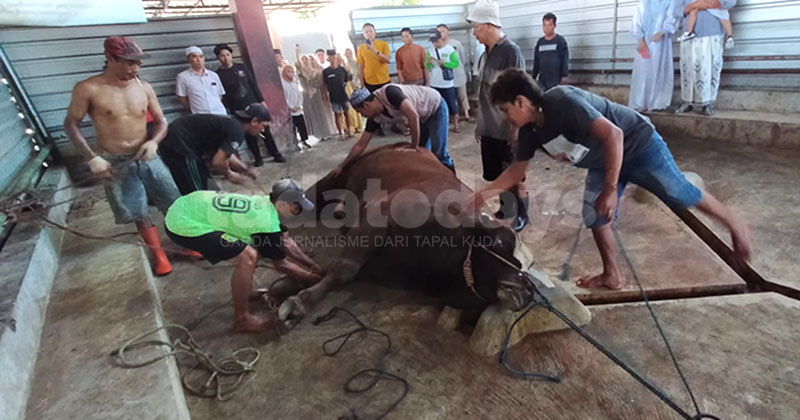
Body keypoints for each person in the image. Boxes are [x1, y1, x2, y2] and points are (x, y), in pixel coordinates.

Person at [465, 69, 752, 290]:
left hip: (638, 145)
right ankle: (612, 274)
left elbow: (614, 135)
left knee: (678, 194)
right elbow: (517, 171)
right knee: (595, 215)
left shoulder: (562, 101)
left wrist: (611, 189)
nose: (506, 118)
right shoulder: (529, 133)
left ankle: (734, 222)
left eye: (505, 110)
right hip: (603, 161)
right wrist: (482, 195)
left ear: (522, 101)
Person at [64, 36, 192, 276]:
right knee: (137, 209)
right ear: (111, 59)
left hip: (146, 154)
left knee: (173, 200)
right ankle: (159, 254)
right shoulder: (88, 88)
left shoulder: (144, 87)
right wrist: (91, 157)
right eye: (129, 62)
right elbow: (71, 124)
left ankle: (187, 243)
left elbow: (162, 121)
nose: (135, 68)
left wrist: (154, 142)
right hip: (113, 160)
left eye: (138, 63)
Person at [164, 180, 325, 333]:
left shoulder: (268, 205)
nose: (298, 212)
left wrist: (313, 266)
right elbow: (282, 264)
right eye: (296, 208)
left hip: (192, 204)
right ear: (282, 204)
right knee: (247, 257)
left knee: (248, 254)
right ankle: (242, 320)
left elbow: (287, 241)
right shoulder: (265, 224)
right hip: (183, 222)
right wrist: (318, 280)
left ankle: (244, 292)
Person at [468, 0, 529, 231]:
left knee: (513, 172)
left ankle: (521, 214)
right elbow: (483, 92)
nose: (474, 32)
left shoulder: (510, 52)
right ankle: (506, 209)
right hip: (488, 126)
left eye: (476, 27)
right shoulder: (485, 55)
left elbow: (519, 91)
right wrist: (479, 124)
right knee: (496, 173)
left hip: (506, 126)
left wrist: (516, 128)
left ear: (490, 25)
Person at [333, 86, 455, 176]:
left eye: (361, 113)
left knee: (439, 153)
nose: (363, 116)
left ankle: (454, 181)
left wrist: (413, 145)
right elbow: (361, 145)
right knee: (422, 153)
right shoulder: (375, 118)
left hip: (435, 107)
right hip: (420, 116)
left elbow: (413, 116)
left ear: (366, 105)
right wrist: (342, 166)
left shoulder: (390, 93)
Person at [158, 104, 278, 194]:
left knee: (209, 187)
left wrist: (245, 169)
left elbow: (227, 155)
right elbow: (218, 162)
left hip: (183, 145)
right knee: (198, 192)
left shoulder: (233, 124)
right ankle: (202, 223)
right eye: (263, 126)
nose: (263, 130)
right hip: (180, 146)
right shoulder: (237, 130)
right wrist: (229, 174)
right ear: (254, 121)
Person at [214, 43, 285, 165]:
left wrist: (261, 101)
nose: (225, 58)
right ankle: (258, 158)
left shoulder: (241, 68)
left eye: (227, 54)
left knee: (265, 130)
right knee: (249, 134)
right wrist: (230, 110)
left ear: (231, 55)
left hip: (254, 104)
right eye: (222, 56)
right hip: (238, 109)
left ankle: (275, 154)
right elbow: (222, 94)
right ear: (218, 58)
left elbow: (253, 85)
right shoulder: (218, 74)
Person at [673, 0, 736, 115]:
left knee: (711, 69)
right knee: (689, 70)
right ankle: (687, 102)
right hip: (690, 36)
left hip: (713, 34)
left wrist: (709, 4)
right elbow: (676, 11)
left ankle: (708, 103)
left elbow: (730, 2)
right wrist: (694, 5)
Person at [629, 0, 679, 112]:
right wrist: (640, 39)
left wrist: (661, 32)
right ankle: (639, 103)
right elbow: (637, 20)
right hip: (645, 41)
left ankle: (657, 103)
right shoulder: (644, 2)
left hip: (661, 43)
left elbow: (672, 18)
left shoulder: (669, 2)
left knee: (659, 70)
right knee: (643, 71)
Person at [296, 48, 336, 140]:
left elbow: (320, 82)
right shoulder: (300, 72)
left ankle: (325, 133)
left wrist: (314, 87)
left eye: (306, 59)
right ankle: (315, 135)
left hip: (317, 94)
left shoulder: (316, 72)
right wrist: (297, 53)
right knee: (312, 115)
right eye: (303, 59)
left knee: (321, 113)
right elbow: (298, 67)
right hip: (307, 95)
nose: (305, 61)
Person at [426, 30, 461, 134]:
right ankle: (439, 124)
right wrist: (428, 63)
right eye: (432, 42)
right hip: (434, 82)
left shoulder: (450, 49)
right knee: (436, 106)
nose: (434, 44)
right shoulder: (430, 51)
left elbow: (456, 63)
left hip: (447, 83)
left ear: (441, 39)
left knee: (452, 105)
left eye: (436, 41)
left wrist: (445, 64)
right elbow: (427, 66)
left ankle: (456, 124)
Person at [176, 46, 227, 115]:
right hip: (200, 116)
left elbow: (220, 95)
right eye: (194, 57)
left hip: (220, 113)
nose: (198, 60)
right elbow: (182, 97)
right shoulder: (183, 77)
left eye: (201, 57)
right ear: (189, 59)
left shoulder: (213, 75)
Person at [437, 24, 471, 122]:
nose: (441, 34)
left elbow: (462, 57)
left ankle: (466, 113)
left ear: (448, 31)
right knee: (450, 96)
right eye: (438, 32)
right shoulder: (438, 46)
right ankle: (454, 115)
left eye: (442, 31)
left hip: (458, 72)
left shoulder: (456, 43)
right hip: (446, 74)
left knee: (462, 94)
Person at [532, 13, 569, 92]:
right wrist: (533, 77)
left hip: (556, 80)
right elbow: (536, 60)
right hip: (543, 80)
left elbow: (565, 59)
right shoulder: (540, 42)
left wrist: (564, 75)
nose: (547, 28)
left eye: (550, 25)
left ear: (554, 26)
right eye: (544, 25)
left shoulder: (560, 41)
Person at [321, 49, 354, 139]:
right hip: (333, 96)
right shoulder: (325, 72)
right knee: (337, 114)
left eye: (334, 57)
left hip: (343, 94)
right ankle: (340, 133)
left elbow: (348, 79)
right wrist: (325, 94)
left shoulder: (342, 69)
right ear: (328, 59)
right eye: (330, 58)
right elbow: (325, 84)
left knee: (347, 112)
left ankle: (349, 130)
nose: (332, 59)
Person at [280, 65, 313, 150]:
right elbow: (284, 97)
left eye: (292, 72)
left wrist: (299, 105)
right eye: (288, 72)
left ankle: (304, 141)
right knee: (292, 128)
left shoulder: (295, 83)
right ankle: (295, 143)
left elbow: (300, 94)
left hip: (298, 108)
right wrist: (291, 107)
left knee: (302, 126)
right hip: (290, 110)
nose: (290, 74)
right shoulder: (283, 84)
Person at [357, 23, 391, 92]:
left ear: (375, 33)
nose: (369, 34)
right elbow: (361, 67)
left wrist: (374, 50)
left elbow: (388, 60)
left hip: (384, 80)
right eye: (366, 32)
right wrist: (362, 84)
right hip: (369, 82)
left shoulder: (383, 44)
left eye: (371, 31)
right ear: (363, 35)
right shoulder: (361, 48)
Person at [339, 53, 363, 134]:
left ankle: (356, 125)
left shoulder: (346, 67)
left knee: (351, 107)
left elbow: (351, 77)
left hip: (349, 88)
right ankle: (347, 126)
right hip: (340, 90)